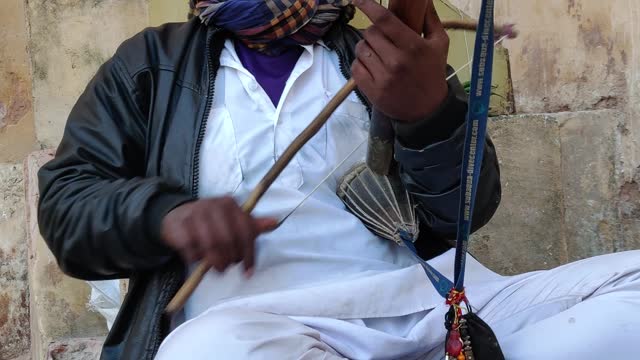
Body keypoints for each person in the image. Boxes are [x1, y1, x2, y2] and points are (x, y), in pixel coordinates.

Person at [37, 0, 639, 359]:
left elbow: (463, 211)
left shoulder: (385, 50)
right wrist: (167, 217)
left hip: (429, 311)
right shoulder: (151, 63)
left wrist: (428, 113)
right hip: (260, 333)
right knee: (205, 353)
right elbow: (67, 206)